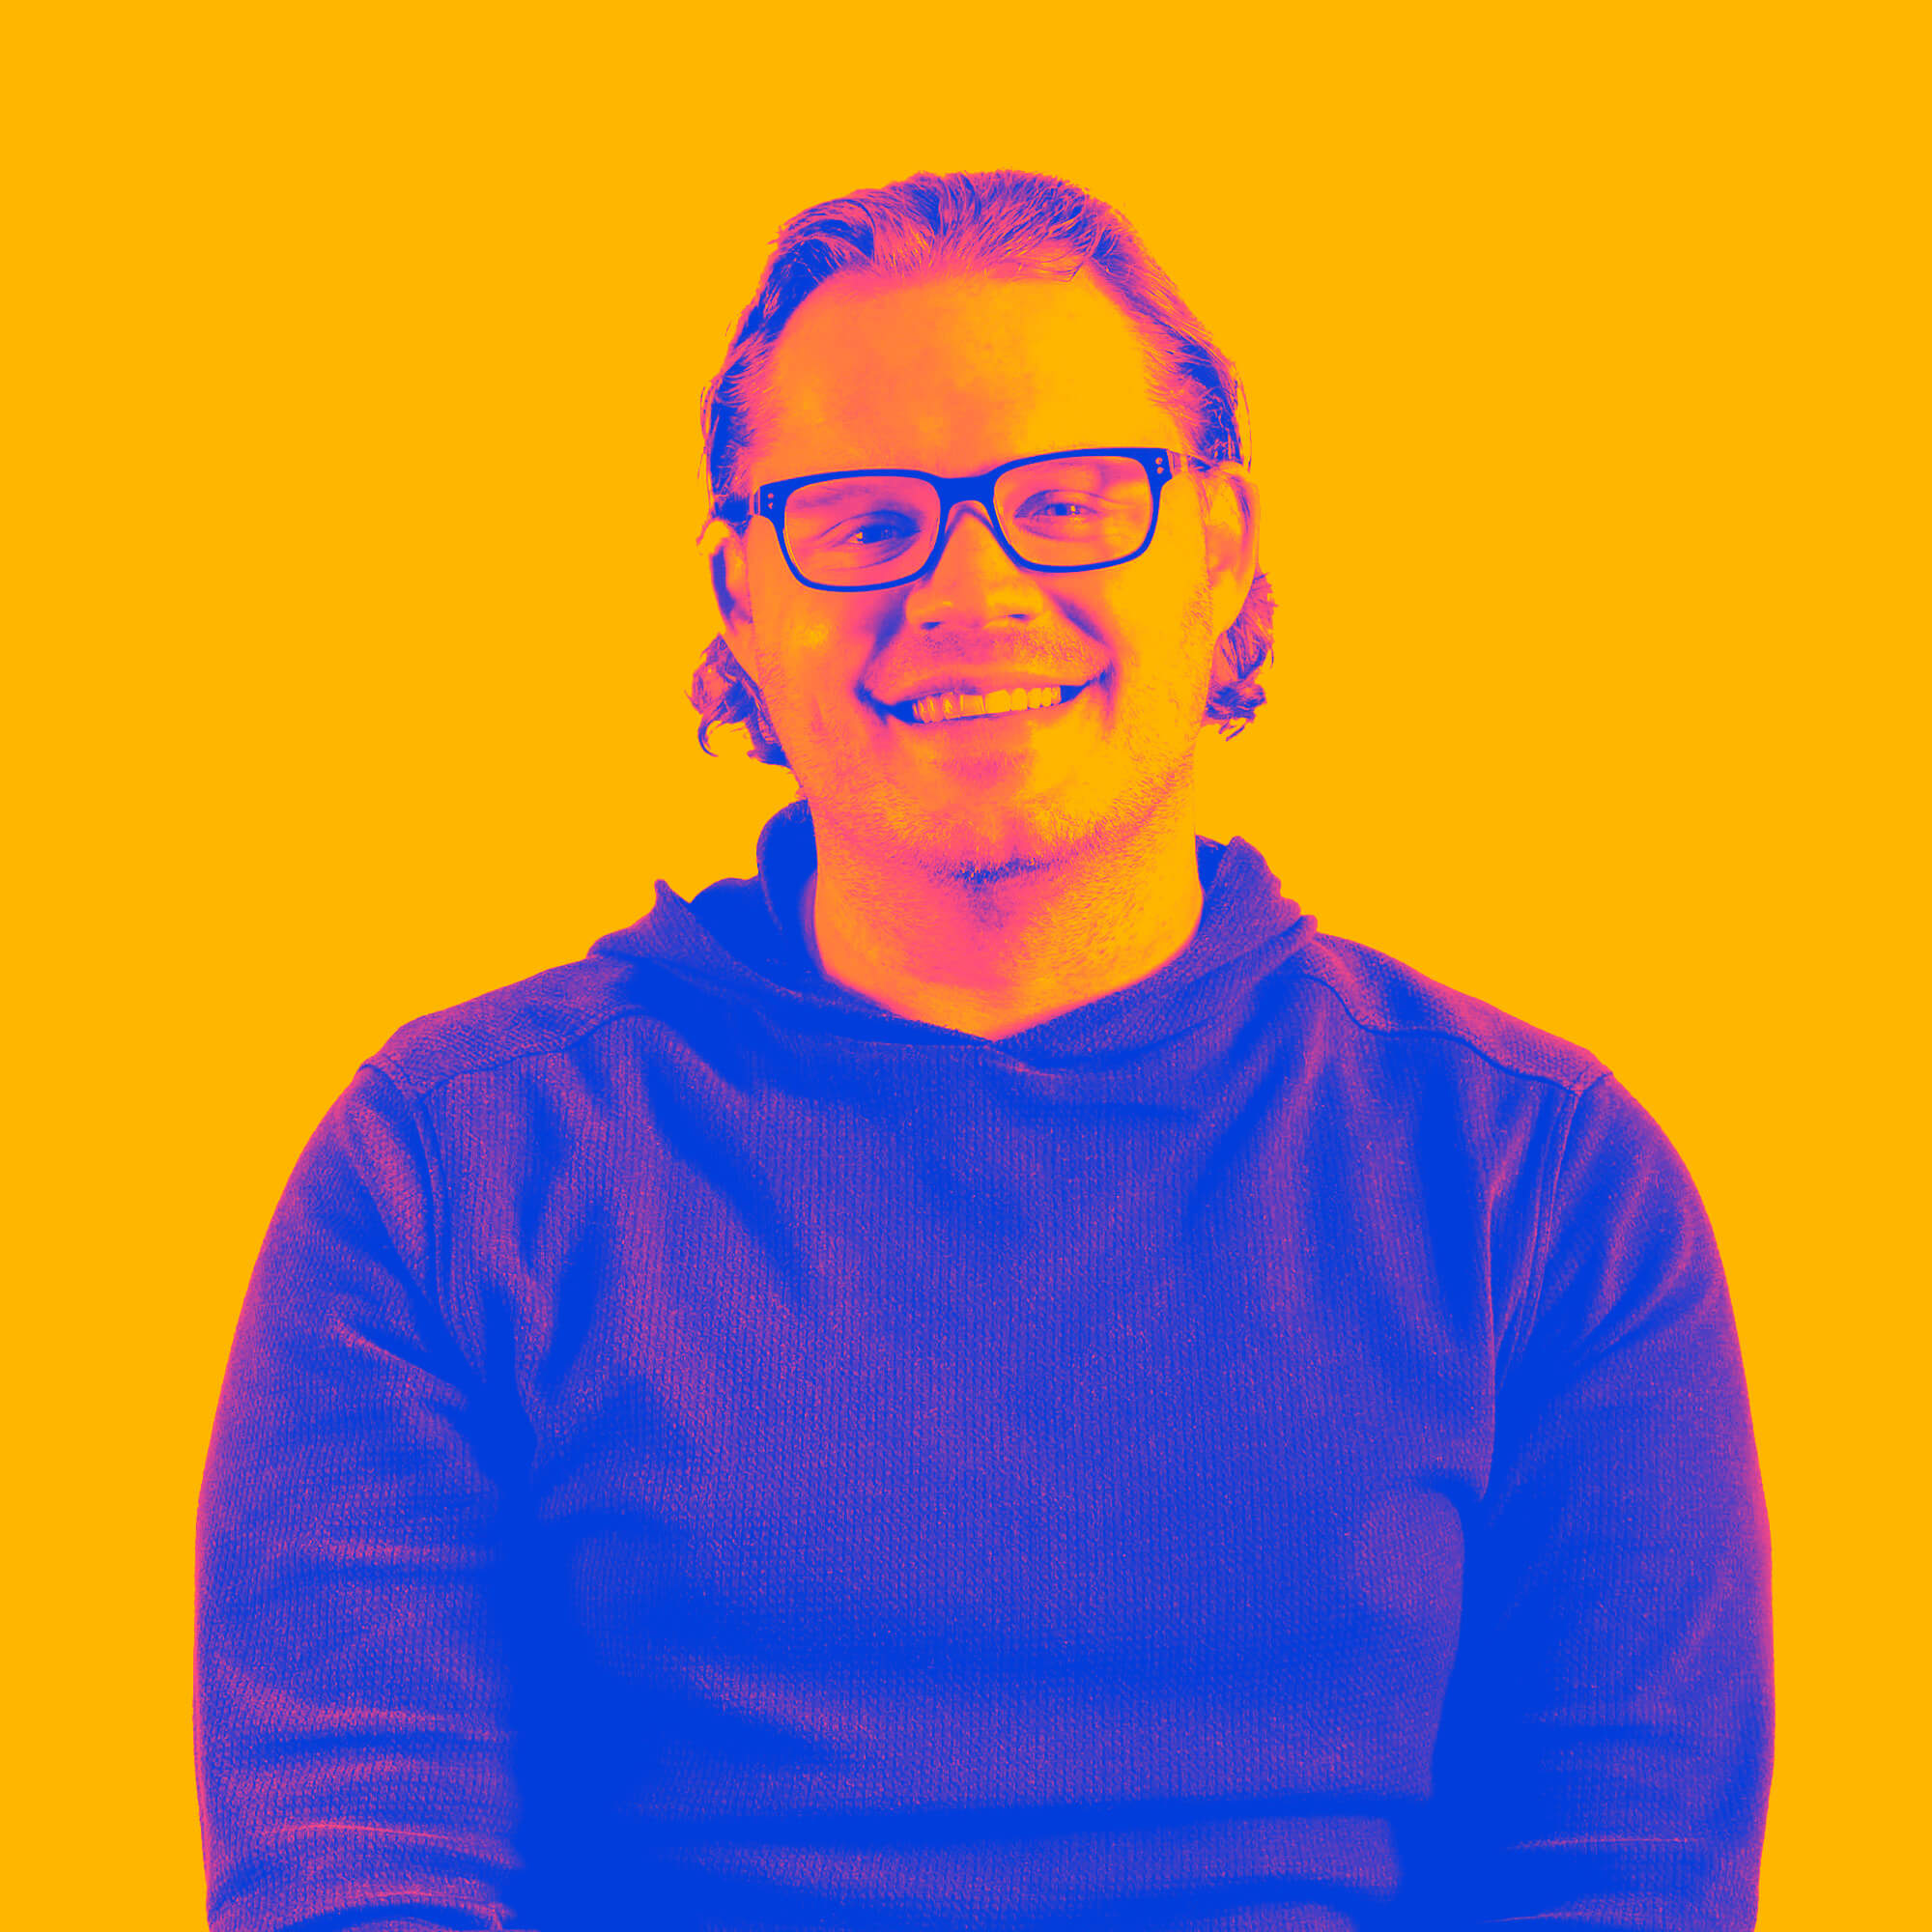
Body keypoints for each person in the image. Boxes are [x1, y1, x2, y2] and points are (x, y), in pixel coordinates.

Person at [195, 171, 1773, 1932]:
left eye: (1072, 504)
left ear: (1224, 553)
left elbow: (1615, 1882)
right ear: (738, 595)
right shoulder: (451, 1175)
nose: (967, 588)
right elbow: (361, 1876)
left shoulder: (1536, 1190)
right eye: (863, 521)